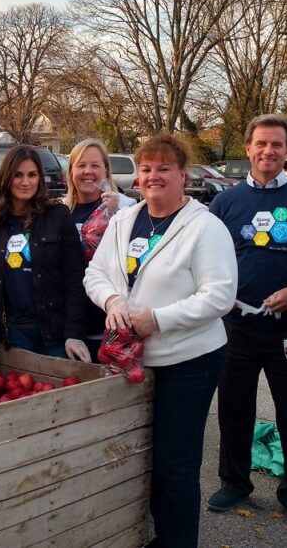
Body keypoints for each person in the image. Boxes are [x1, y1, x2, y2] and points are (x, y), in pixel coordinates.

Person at [84, 133, 237, 548]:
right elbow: (94, 274)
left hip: (188, 361)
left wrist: (158, 319)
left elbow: (220, 296)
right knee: (141, 457)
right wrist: (113, 299)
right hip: (133, 360)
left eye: (163, 169)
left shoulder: (205, 228)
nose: (153, 176)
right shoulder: (123, 220)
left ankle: (177, 541)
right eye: (146, 168)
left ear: (182, 175)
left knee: (175, 464)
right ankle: (159, 536)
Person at [206, 113, 287, 532]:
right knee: (234, 409)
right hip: (236, 326)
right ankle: (234, 483)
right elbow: (209, 257)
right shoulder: (225, 202)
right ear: (248, 148)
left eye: (276, 144)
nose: (268, 151)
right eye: (261, 144)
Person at [0, 145, 87, 372]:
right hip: (13, 333)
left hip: (54, 334)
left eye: (32, 175)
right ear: (7, 178)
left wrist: (74, 334)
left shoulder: (58, 216)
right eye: (18, 175)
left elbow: (76, 279)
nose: (25, 182)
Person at [64, 138, 136, 354]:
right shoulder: (60, 210)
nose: (88, 171)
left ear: (106, 170)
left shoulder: (127, 208)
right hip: (70, 321)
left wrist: (119, 213)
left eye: (95, 165)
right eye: (81, 165)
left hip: (112, 317)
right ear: (71, 171)